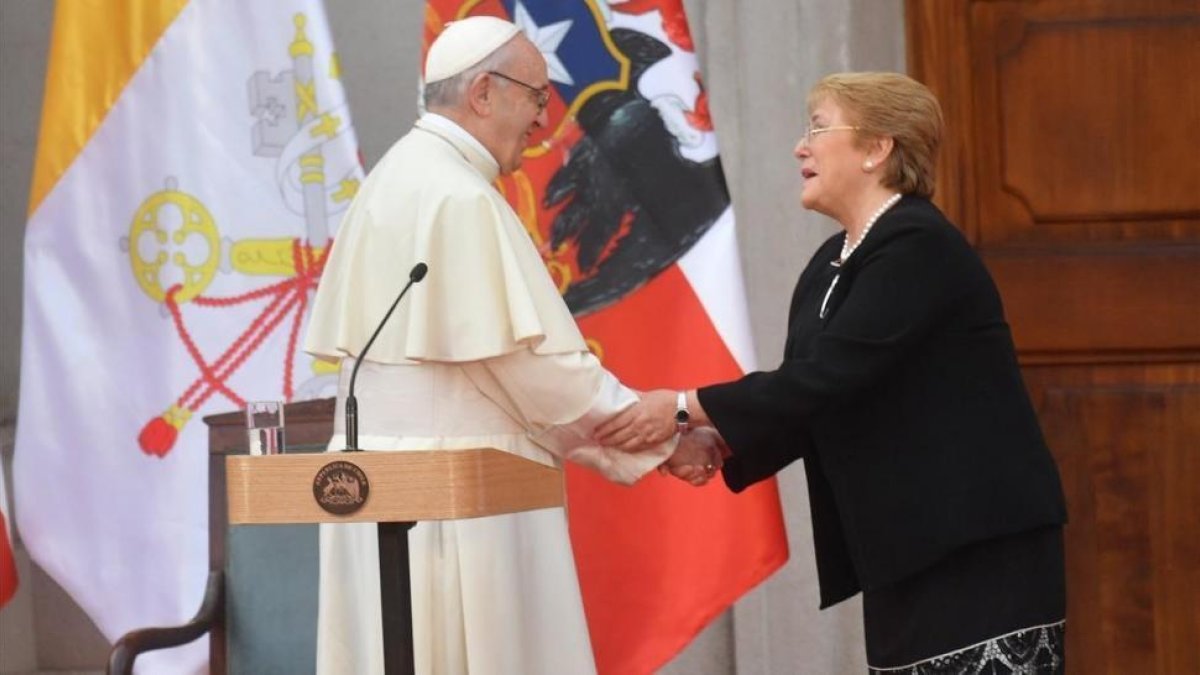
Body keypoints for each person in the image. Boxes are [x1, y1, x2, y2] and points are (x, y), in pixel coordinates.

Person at [597, 72, 1069, 673]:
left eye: (819, 128)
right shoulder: (832, 261)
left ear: (877, 148)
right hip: (906, 549)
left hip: (978, 549)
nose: (801, 146)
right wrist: (713, 441)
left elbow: (828, 377)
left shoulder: (919, 247)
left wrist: (682, 406)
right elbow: (816, 397)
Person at [303, 16, 720, 675]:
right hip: (450, 511)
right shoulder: (458, 197)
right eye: (536, 96)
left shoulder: (396, 177)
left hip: (383, 501)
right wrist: (666, 438)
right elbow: (536, 370)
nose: (544, 119)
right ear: (483, 93)